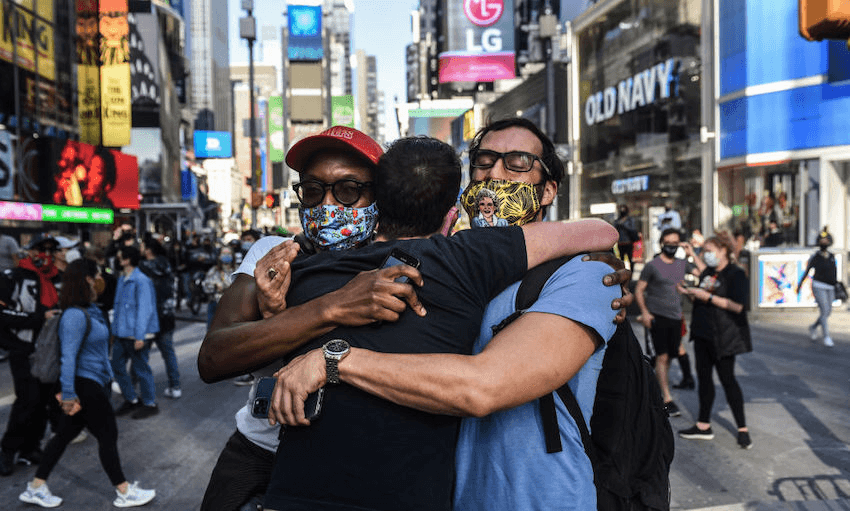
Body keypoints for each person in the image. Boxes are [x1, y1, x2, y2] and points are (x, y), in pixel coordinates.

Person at [198, 126, 625, 511]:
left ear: (379, 197)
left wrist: (332, 358)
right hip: (280, 463)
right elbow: (220, 357)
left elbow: (483, 385)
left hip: (527, 494)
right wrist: (306, 311)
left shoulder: (489, 260)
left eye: (348, 190)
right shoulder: (287, 260)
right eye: (312, 190)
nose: (329, 205)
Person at [17, 259, 156, 509]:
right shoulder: (73, 316)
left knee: (63, 435)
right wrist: (68, 394)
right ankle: (123, 491)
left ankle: (36, 487)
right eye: (97, 274)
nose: (101, 278)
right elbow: (67, 358)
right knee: (107, 435)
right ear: (87, 279)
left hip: (93, 381)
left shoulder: (90, 310)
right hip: (84, 384)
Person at [677, 231, 753, 449]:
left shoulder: (736, 275)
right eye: (704, 252)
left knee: (728, 380)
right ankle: (703, 425)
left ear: (723, 251)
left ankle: (742, 428)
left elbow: (737, 306)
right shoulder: (709, 272)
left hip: (724, 336)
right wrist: (690, 292)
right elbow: (703, 291)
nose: (706, 255)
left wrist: (707, 297)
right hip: (702, 334)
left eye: (709, 251)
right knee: (704, 380)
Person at [0, 235, 63, 476]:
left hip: (48, 350)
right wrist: (37, 319)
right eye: (40, 249)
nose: (44, 254)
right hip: (23, 349)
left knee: (43, 400)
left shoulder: (56, 278)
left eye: (50, 250)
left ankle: (31, 446)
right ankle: (7, 450)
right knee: (27, 400)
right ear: (29, 251)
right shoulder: (13, 278)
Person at [635, 228, 693, 417]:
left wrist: (692, 252)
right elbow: (639, 290)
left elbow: (702, 270)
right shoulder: (652, 265)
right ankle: (666, 398)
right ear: (661, 243)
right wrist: (645, 313)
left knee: (670, 356)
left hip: (676, 317)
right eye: (668, 242)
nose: (671, 246)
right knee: (663, 357)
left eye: (675, 243)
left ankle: (661, 387)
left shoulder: (681, 264)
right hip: (657, 317)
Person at [110, 245, 160, 420]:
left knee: (140, 369)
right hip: (122, 333)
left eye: (120, 256)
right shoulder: (123, 279)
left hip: (135, 334)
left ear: (127, 259)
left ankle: (149, 402)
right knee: (117, 365)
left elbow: (144, 311)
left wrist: (139, 336)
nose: (117, 259)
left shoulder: (141, 280)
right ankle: (131, 398)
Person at [138, 237, 181, 398]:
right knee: (168, 352)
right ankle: (175, 386)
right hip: (167, 315)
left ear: (149, 249)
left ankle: (134, 386)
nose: (140, 248)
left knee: (141, 354)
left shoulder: (142, 267)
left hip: (149, 316)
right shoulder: (166, 264)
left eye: (142, 246)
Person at [798, 228, 838, 347]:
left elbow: (834, 272)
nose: (824, 242)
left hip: (830, 287)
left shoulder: (831, 256)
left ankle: (813, 327)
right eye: (822, 240)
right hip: (818, 285)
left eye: (826, 240)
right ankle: (826, 336)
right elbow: (807, 271)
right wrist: (800, 285)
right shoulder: (815, 256)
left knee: (827, 312)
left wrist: (836, 285)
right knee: (824, 310)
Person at [202, 248, 235, 328]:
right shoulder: (214, 270)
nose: (226, 256)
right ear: (219, 256)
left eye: (228, 254)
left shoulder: (237, 270)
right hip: (215, 303)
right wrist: (215, 285)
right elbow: (206, 285)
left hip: (233, 306)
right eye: (223, 253)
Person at [614, 204, 639, 269]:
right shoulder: (617, 221)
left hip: (629, 242)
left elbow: (633, 229)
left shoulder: (630, 220)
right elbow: (614, 230)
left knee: (630, 258)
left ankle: (631, 273)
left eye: (624, 209)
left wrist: (624, 226)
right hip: (620, 242)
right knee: (621, 259)